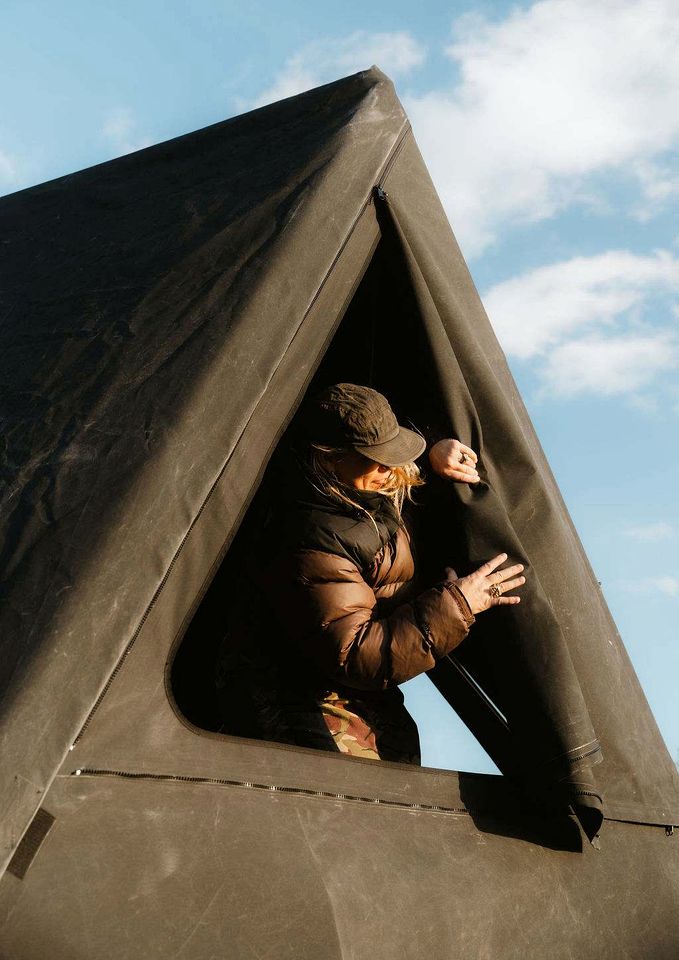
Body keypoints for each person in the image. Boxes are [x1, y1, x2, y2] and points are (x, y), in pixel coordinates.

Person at [215, 383, 525, 764]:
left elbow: (396, 499)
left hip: (363, 700)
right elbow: (355, 654)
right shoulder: (309, 536)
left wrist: (433, 453)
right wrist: (459, 604)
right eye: (374, 458)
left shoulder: (356, 488)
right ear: (328, 458)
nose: (389, 468)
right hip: (302, 707)